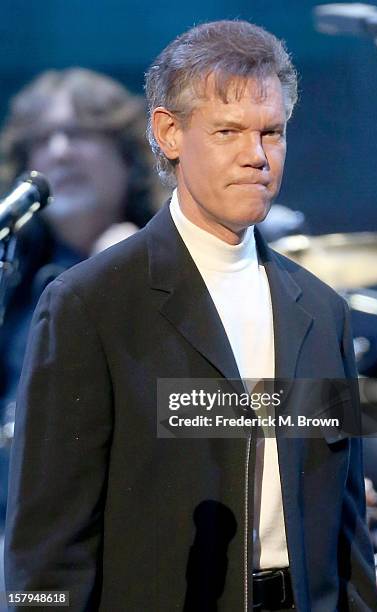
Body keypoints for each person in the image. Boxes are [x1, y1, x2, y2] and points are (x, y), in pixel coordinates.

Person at [5, 21, 377, 611]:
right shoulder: (90, 303)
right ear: (169, 133)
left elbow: (347, 534)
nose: (256, 155)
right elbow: (49, 546)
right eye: (229, 131)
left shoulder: (321, 310)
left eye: (272, 132)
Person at [0, 68, 158, 604]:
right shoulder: (17, 275)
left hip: (123, 545)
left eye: (81, 134)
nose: (59, 152)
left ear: (127, 155)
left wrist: (119, 269)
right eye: (41, 140)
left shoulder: (176, 264)